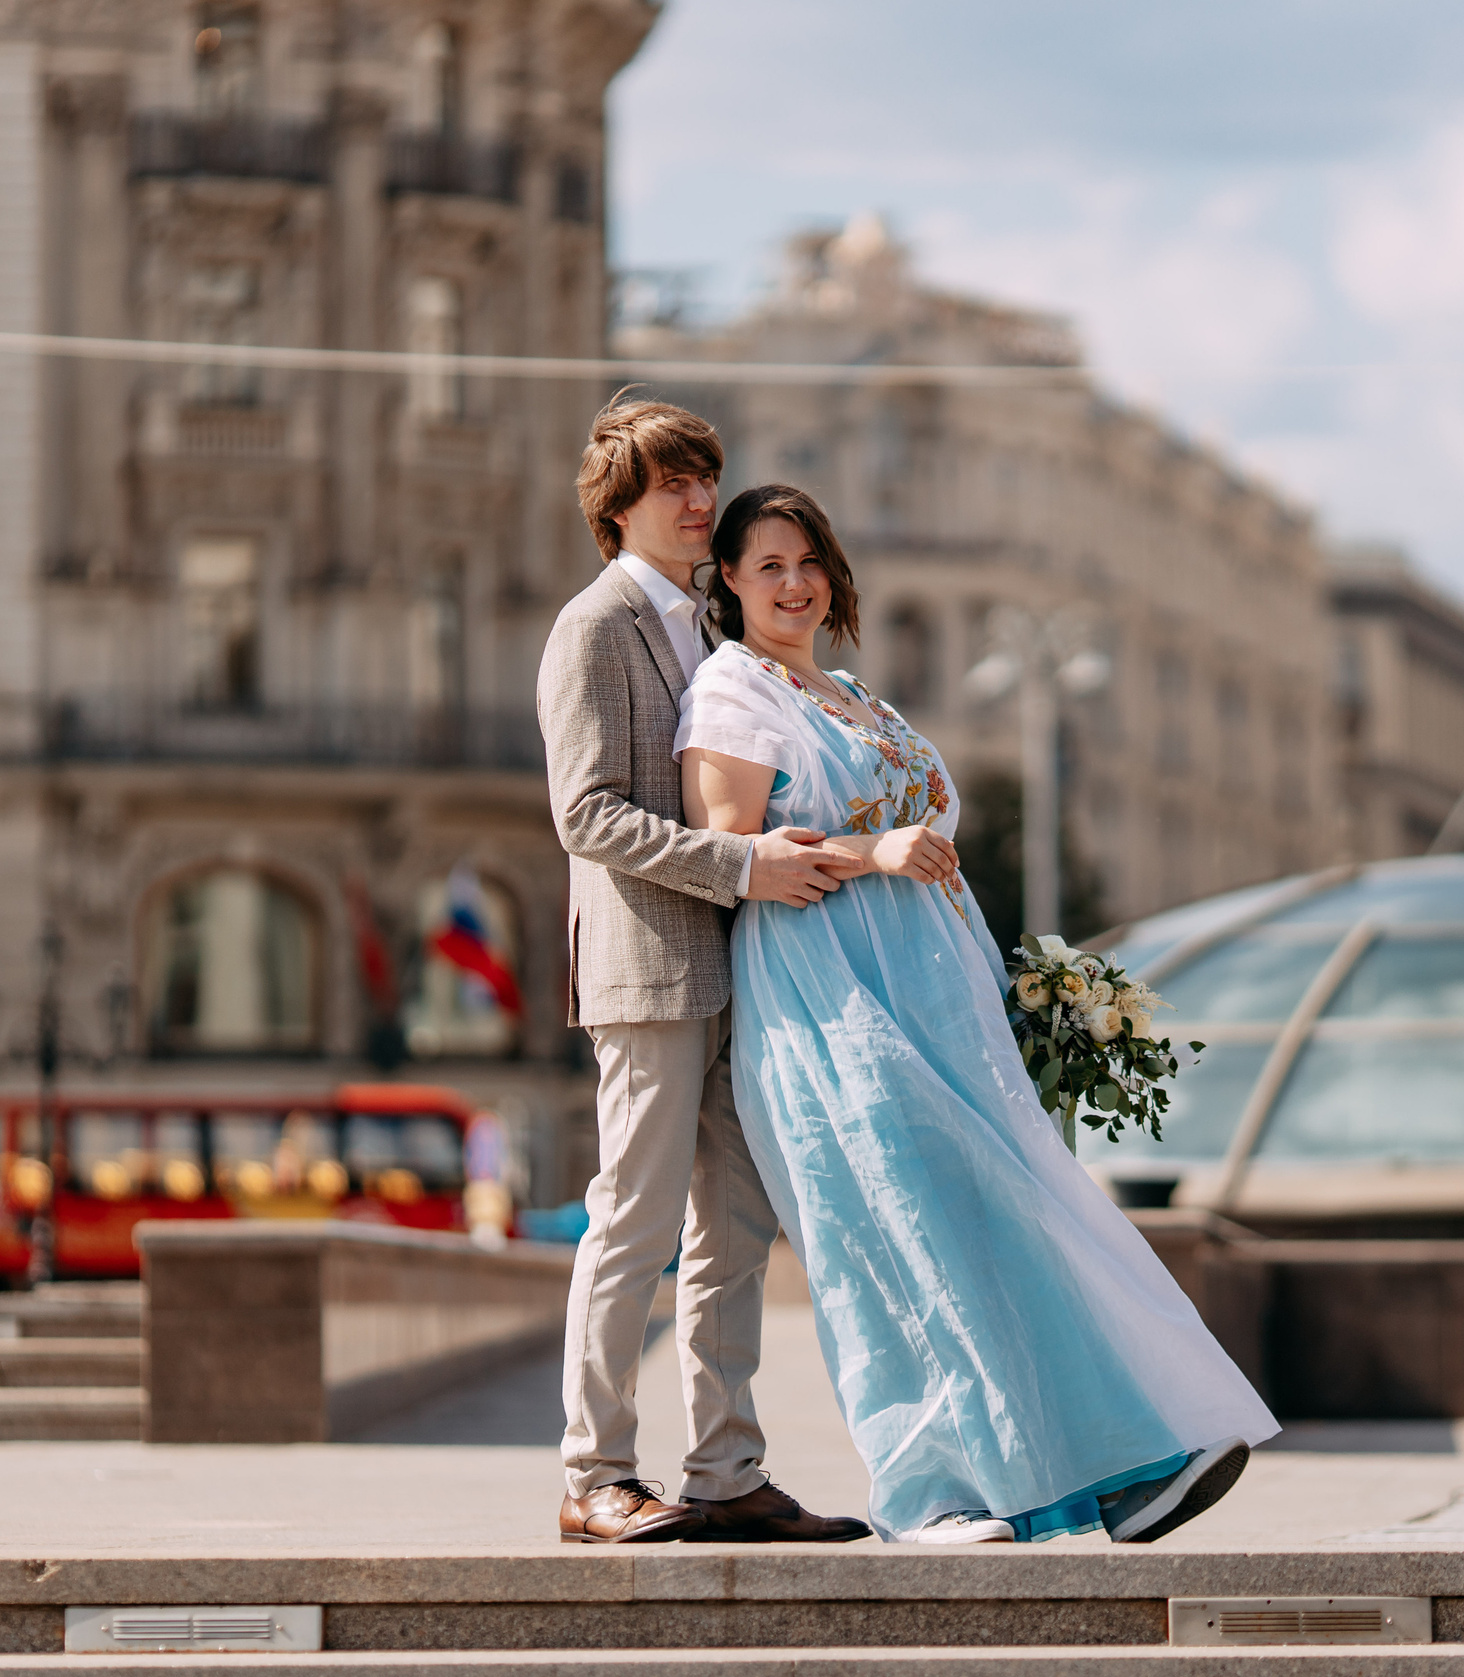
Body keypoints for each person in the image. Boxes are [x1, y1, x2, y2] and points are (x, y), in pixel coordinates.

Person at [676, 484, 1278, 1544]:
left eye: (808, 559)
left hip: (935, 1000)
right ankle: (931, 1493)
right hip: (830, 995)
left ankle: (1119, 1468)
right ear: (727, 579)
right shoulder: (732, 691)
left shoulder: (855, 692)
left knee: (1005, 1225)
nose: (793, 582)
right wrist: (875, 853)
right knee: (896, 1231)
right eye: (766, 564)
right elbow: (735, 852)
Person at [537, 395, 872, 1545]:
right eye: (673, 484)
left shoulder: (711, 632)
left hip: (745, 965)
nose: (696, 501)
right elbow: (584, 815)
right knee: (633, 1221)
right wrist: (740, 867)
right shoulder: (595, 626)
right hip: (649, 969)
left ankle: (726, 1470)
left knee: (734, 1232)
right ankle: (594, 1476)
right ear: (615, 506)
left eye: (703, 479)